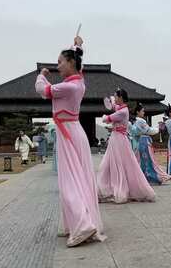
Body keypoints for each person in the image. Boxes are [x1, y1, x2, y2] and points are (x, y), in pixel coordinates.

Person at [35, 35, 105, 247]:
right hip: (74, 131)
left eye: (60, 62)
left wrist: (41, 75)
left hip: (67, 133)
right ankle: (78, 221)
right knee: (79, 178)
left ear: (71, 63)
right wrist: (78, 46)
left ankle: (82, 225)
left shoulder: (68, 87)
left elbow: (43, 91)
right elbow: (78, 60)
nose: (57, 66)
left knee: (69, 181)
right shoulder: (78, 81)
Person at [97, 88, 156, 203]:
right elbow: (114, 106)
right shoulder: (121, 108)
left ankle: (119, 188)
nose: (114, 98)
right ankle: (106, 188)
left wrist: (105, 115)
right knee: (111, 163)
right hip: (117, 138)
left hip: (119, 139)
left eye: (116, 96)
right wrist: (111, 102)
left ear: (121, 98)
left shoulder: (123, 111)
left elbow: (107, 119)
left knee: (119, 163)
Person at [134, 103, 171, 184]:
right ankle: (152, 176)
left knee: (140, 160)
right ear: (137, 112)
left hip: (138, 141)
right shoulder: (141, 121)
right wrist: (158, 127)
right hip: (144, 141)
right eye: (142, 111)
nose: (144, 112)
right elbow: (149, 131)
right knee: (149, 160)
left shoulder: (134, 121)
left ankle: (141, 177)